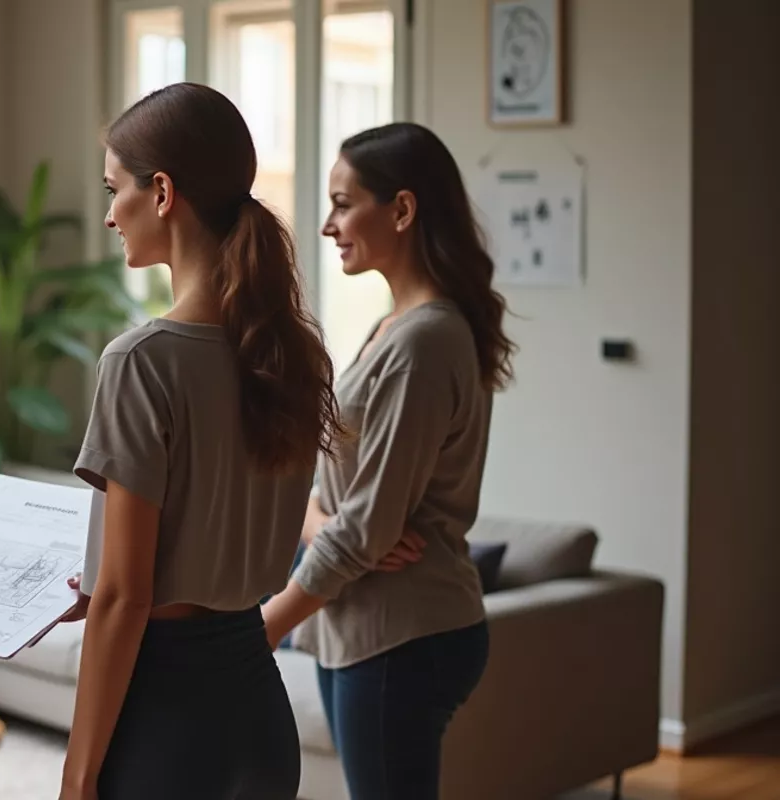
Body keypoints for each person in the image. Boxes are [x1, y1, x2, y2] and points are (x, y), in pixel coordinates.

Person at [57, 82, 341, 800]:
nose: (108, 213)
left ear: (161, 192)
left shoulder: (141, 359)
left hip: (165, 725)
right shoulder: (296, 357)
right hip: (257, 711)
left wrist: (77, 773)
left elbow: (125, 596)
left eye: (112, 188)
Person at [261, 121, 517, 800]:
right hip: (363, 626)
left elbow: (367, 525)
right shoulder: (391, 328)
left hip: (403, 633)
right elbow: (335, 497)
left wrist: (266, 626)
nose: (327, 224)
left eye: (344, 203)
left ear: (402, 210)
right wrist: (318, 523)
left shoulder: (425, 342)